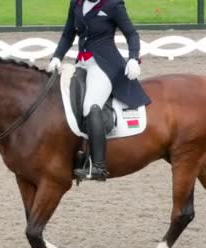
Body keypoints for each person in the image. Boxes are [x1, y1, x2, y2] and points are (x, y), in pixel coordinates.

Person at [47, 0, 151, 181]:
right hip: (82, 63)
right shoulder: (77, 3)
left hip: (105, 66)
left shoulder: (113, 5)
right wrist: (57, 57)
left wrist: (134, 58)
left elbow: (132, 34)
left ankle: (98, 166)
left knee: (91, 106)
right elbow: (68, 34)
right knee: (66, 102)